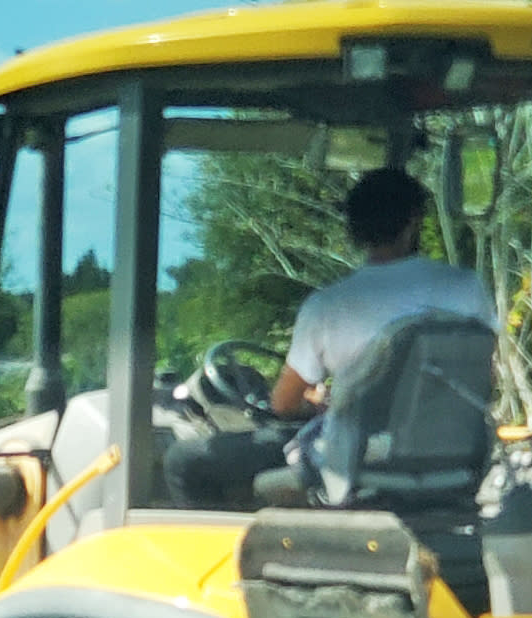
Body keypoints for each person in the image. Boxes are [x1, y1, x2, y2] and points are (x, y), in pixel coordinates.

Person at [163, 166, 496, 509]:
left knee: (184, 462)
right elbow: (485, 377)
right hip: (454, 456)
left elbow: (282, 404)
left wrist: (327, 401)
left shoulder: (329, 305)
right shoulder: (466, 288)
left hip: (359, 460)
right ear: (414, 220)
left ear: (353, 228)